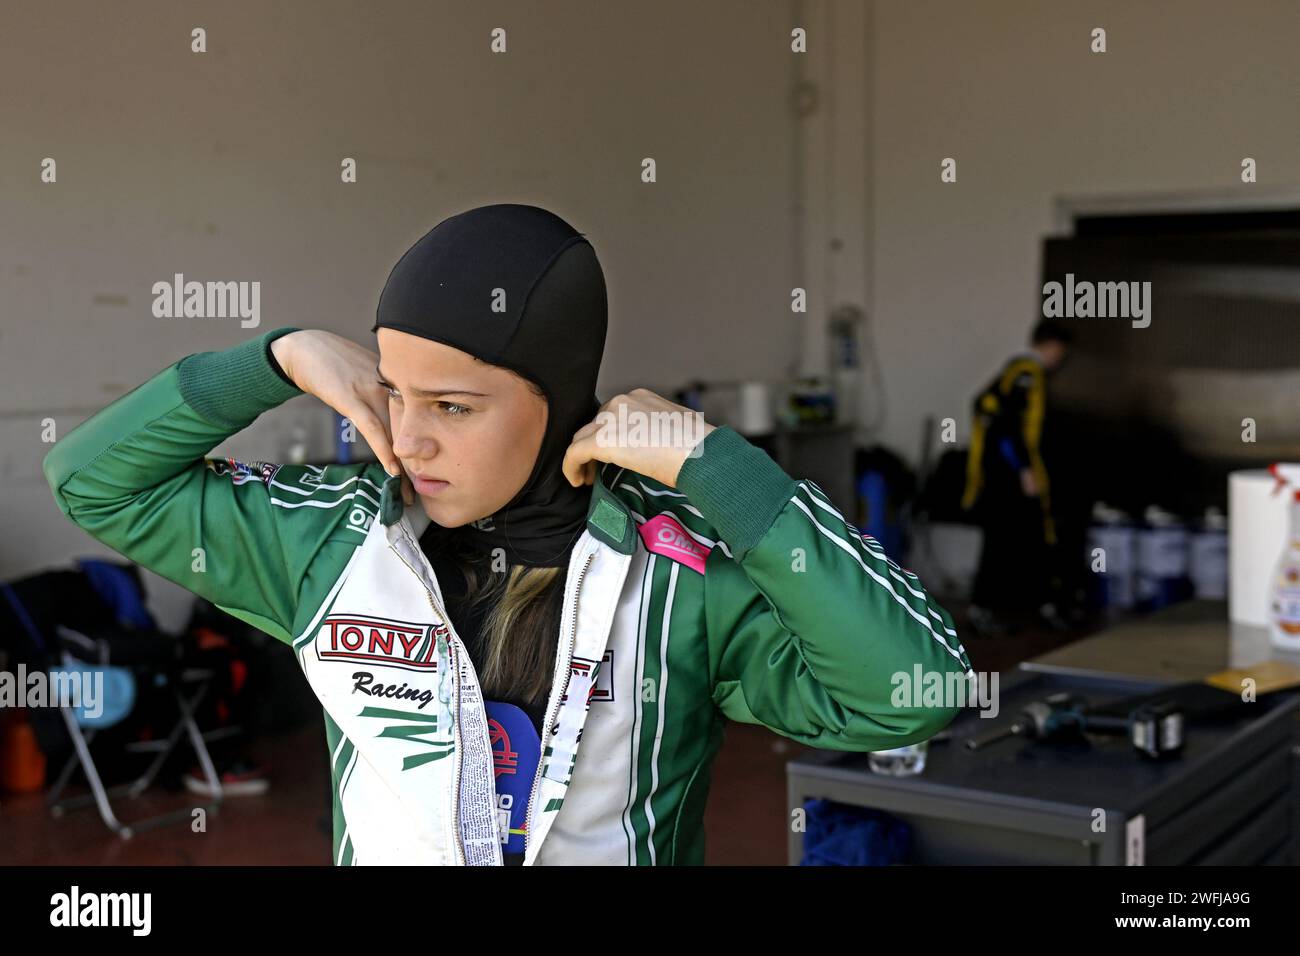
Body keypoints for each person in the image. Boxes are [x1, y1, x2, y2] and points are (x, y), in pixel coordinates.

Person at [44, 202, 971, 866]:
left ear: (558, 399)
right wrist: (276, 359)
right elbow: (92, 482)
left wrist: (726, 474)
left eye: (453, 404)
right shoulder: (328, 537)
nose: (408, 437)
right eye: (396, 393)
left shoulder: (676, 574)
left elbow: (905, 695)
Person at [961, 318, 1073, 636]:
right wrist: (1024, 469)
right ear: (1051, 347)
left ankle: (1030, 606)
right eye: (1059, 352)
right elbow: (1005, 425)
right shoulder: (1026, 373)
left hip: (1007, 474)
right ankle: (984, 611)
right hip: (1006, 478)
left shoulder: (1019, 371)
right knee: (1001, 542)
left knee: (1023, 540)